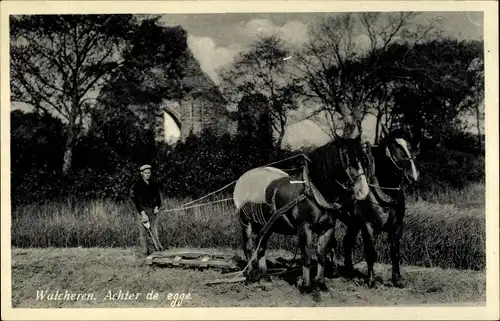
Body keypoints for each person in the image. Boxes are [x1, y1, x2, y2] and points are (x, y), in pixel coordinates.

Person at [129, 164, 164, 256]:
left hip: (153, 210)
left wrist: (157, 207)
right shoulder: (137, 185)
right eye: (145, 173)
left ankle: (155, 250)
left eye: (149, 173)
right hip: (142, 211)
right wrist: (142, 213)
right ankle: (145, 252)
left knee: (153, 231)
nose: (147, 174)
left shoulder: (154, 184)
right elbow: (136, 200)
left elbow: (158, 197)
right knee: (143, 232)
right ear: (141, 173)